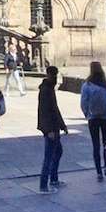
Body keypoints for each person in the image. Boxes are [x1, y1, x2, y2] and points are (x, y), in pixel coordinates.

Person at [80, 61, 106, 182]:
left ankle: (98, 172)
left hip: (93, 118)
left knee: (95, 145)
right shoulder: (105, 85)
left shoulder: (87, 85)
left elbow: (83, 102)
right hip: (105, 118)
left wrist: (87, 114)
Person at [36, 65, 68, 193]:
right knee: (48, 156)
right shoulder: (46, 90)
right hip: (50, 128)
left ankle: (54, 179)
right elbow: (45, 111)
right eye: (54, 75)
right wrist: (48, 130)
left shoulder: (49, 88)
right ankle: (43, 185)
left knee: (58, 151)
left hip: (54, 126)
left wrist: (62, 125)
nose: (55, 78)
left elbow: (55, 109)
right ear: (49, 75)